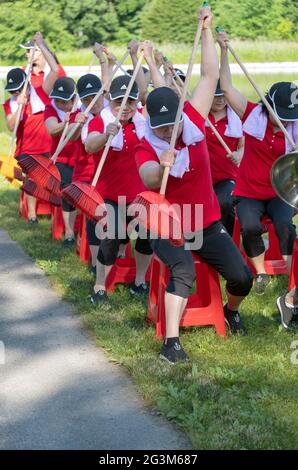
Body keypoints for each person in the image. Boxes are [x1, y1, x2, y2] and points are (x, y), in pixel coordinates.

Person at [134, 5, 253, 365]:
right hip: (168, 225)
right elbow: (149, 178)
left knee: (242, 277)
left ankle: (230, 312)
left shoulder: (193, 120)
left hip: (206, 222)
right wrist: (162, 168)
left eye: (171, 125)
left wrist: (205, 31)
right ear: (151, 122)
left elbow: (209, 75)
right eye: (160, 128)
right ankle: (171, 344)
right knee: (183, 271)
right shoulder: (145, 145)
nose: (167, 132)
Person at [217, 29, 298, 294]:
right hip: (249, 191)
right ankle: (261, 272)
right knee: (250, 226)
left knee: (286, 225)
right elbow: (227, 87)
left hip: (280, 192)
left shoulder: (295, 128)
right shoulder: (253, 115)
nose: (285, 121)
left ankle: (291, 280)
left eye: (290, 116)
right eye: (281, 115)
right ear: (268, 105)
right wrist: (224, 50)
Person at [84, 42, 153, 304]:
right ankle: (100, 286)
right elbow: (89, 145)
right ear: (110, 99)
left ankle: (140, 282)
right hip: (109, 195)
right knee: (111, 235)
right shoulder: (100, 119)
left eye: (130, 102)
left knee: (149, 233)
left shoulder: (143, 122)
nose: (124, 107)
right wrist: (105, 136)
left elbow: (145, 90)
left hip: (139, 195)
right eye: (119, 102)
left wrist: (137, 55)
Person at [3, 32, 60, 223]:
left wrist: (42, 44)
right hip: (27, 148)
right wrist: (19, 104)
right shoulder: (10, 103)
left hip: (48, 146)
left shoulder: (41, 92)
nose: (15, 92)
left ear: (26, 84)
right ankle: (33, 216)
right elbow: (11, 126)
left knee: (52, 182)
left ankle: (54, 214)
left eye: (18, 89)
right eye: (12, 91)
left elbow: (55, 70)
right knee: (31, 180)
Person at [206, 80, 244, 235]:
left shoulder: (237, 117)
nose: (220, 99)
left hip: (226, 177)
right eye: (216, 96)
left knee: (224, 201)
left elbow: (244, 145)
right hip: (201, 177)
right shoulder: (199, 114)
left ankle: (225, 239)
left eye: (223, 95)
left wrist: (239, 154)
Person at [44, 77, 79, 246]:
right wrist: (66, 121)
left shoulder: (82, 108)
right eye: (57, 100)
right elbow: (52, 130)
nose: (60, 104)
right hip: (62, 158)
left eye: (64, 101)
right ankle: (69, 232)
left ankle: (82, 230)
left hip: (81, 158)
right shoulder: (51, 109)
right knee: (67, 195)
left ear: (73, 98)